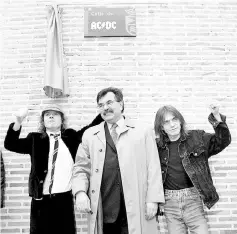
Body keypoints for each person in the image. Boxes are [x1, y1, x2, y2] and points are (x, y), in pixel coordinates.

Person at [72, 87, 164, 234]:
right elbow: (80, 168)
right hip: (104, 208)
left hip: (136, 207)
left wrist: (153, 199)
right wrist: (80, 192)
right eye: (101, 105)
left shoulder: (142, 132)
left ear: (121, 104)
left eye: (109, 102)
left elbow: (153, 167)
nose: (105, 108)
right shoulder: (90, 135)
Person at [4, 104, 103, 234]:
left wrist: (103, 110)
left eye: (55, 114)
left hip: (64, 201)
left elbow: (90, 128)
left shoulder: (71, 137)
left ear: (62, 120)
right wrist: (18, 121)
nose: (51, 115)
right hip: (40, 201)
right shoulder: (35, 139)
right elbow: (10, 144)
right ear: (43, 121)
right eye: (47, 114)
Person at [154, 104, 231, 234]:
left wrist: (216, 117)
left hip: (193, 200)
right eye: (166, 122)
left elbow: (222, 141)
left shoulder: (197, 138)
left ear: (180, 120)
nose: (172, 125)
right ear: (161, 127)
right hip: (169, 204)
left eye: (174, 119)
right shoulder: (157, 146)